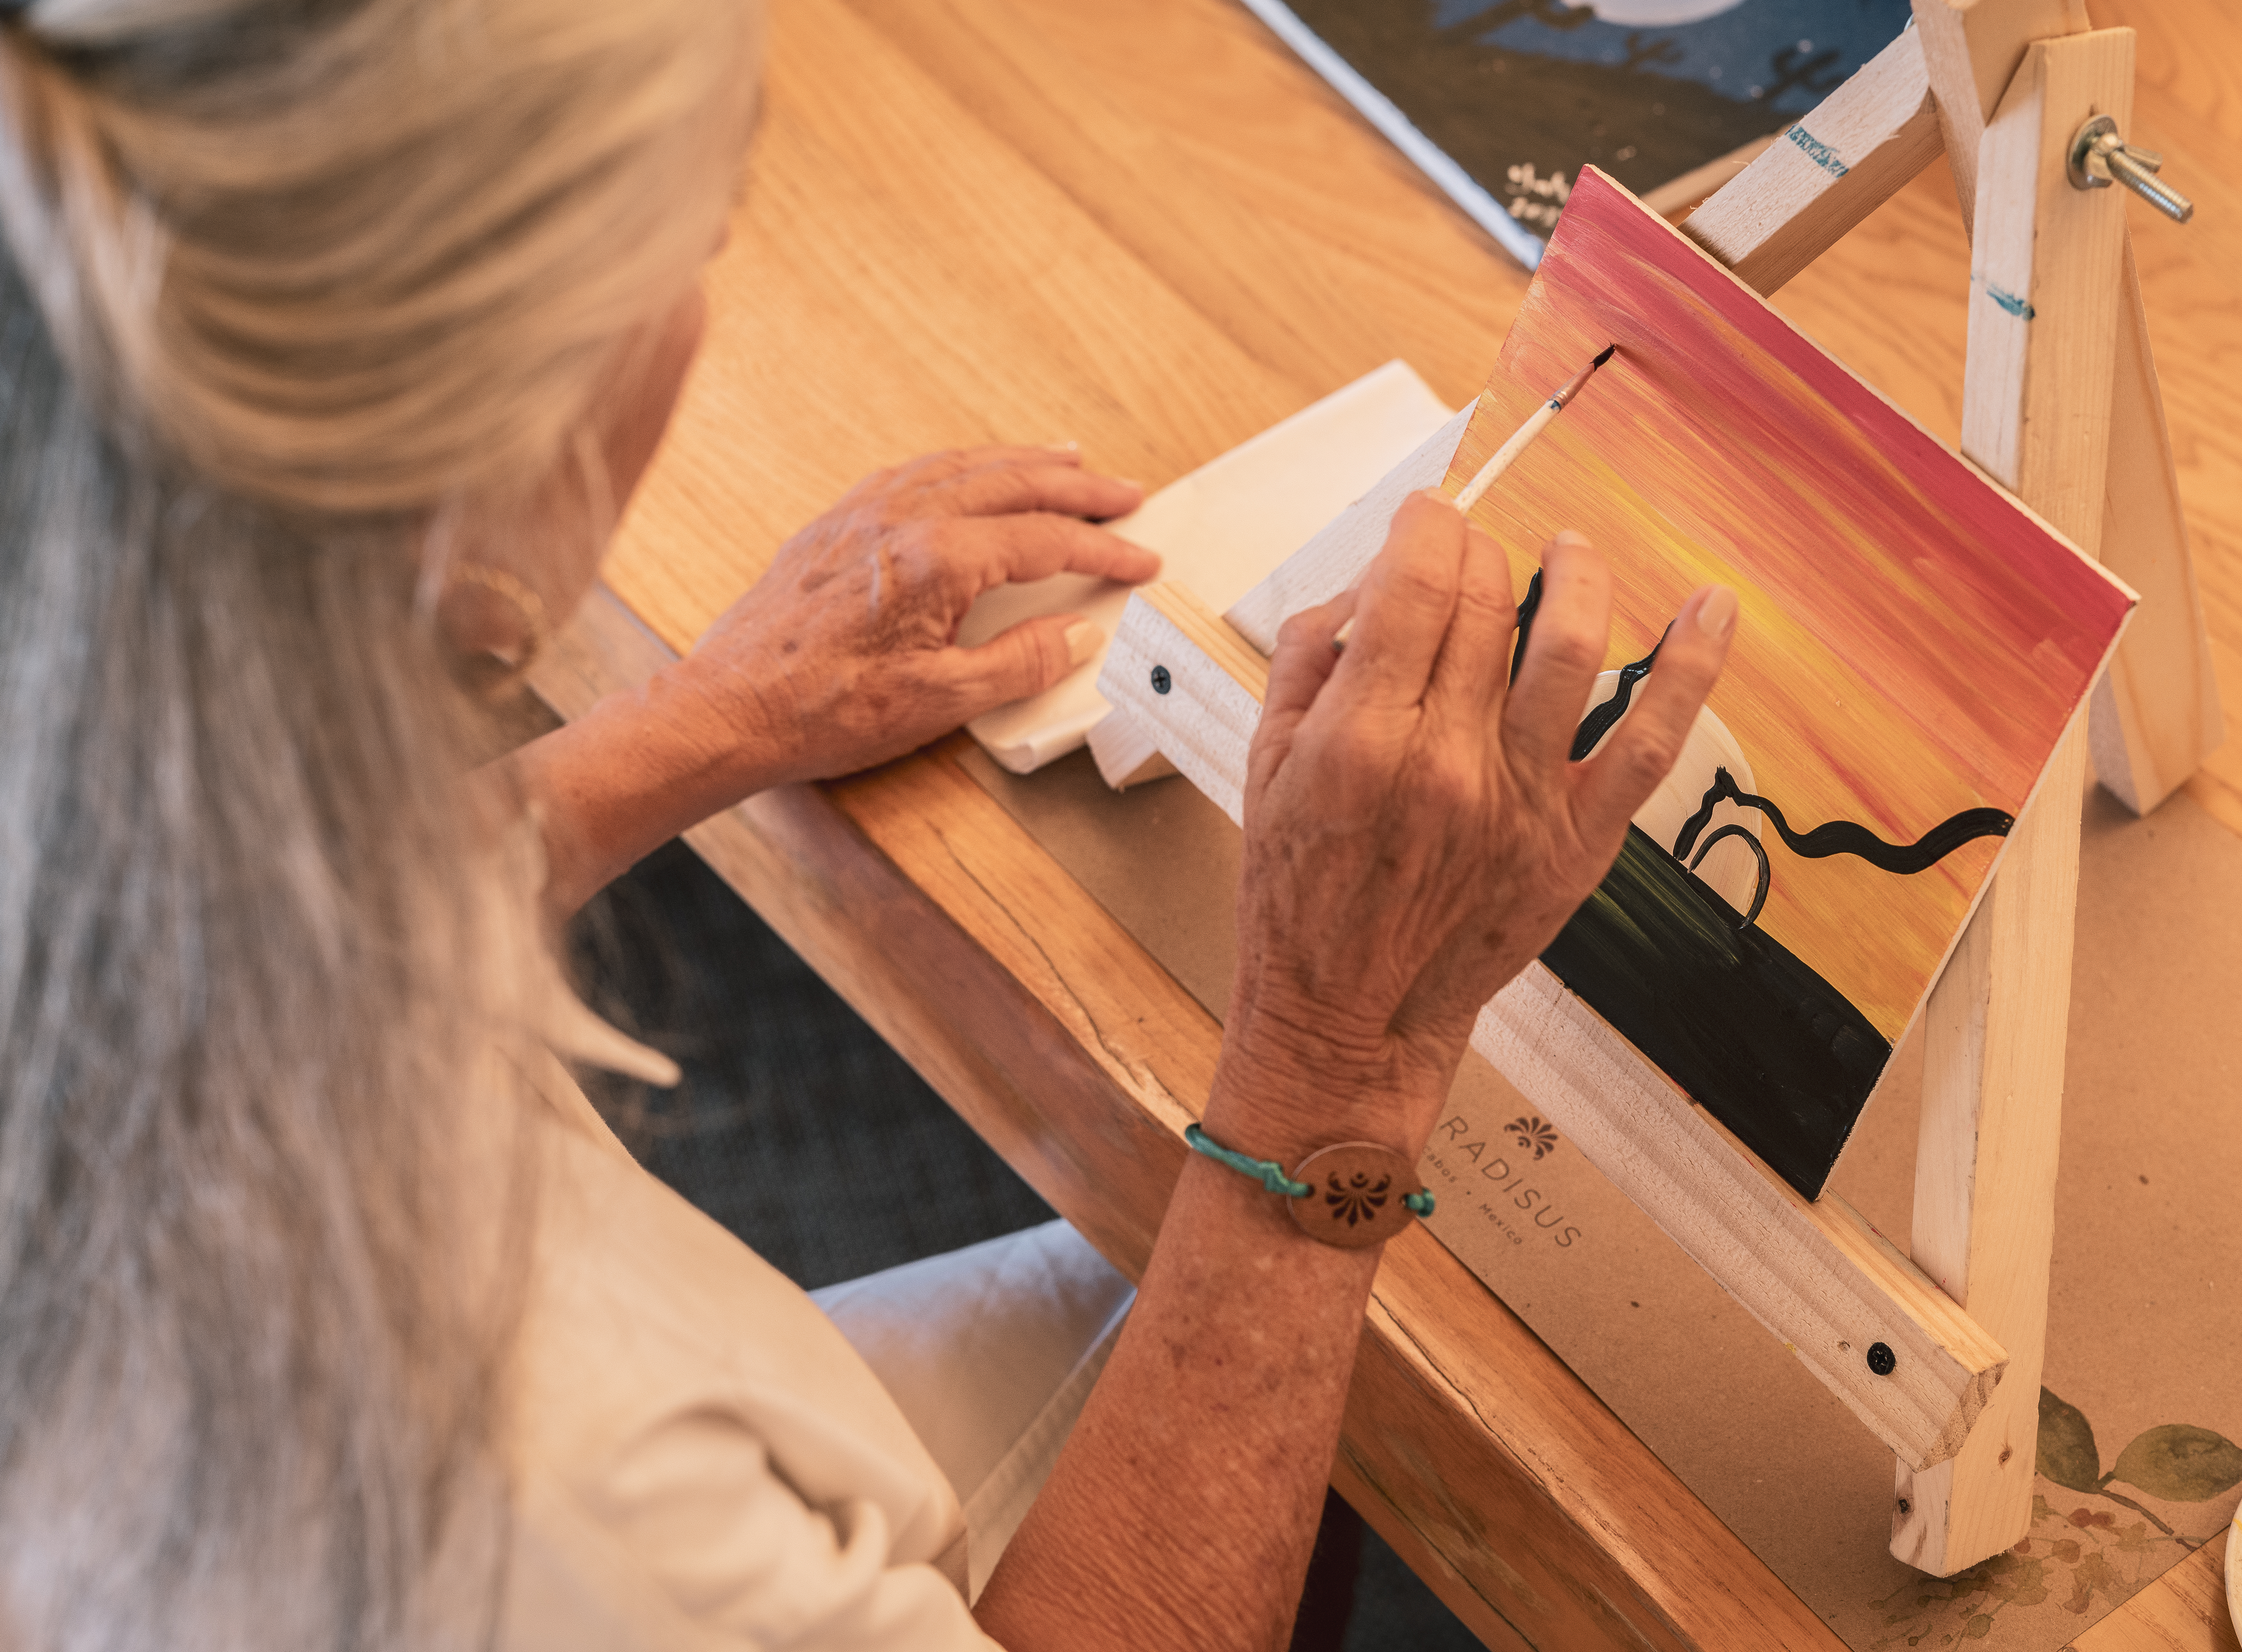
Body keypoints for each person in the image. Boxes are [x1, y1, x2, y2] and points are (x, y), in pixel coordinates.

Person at [0, 1, 1736, 1648]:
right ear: (519, 413)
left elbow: (230, 949)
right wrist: (1338, 1069)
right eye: (704, 238)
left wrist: (688, 722)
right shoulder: (554, 1471)